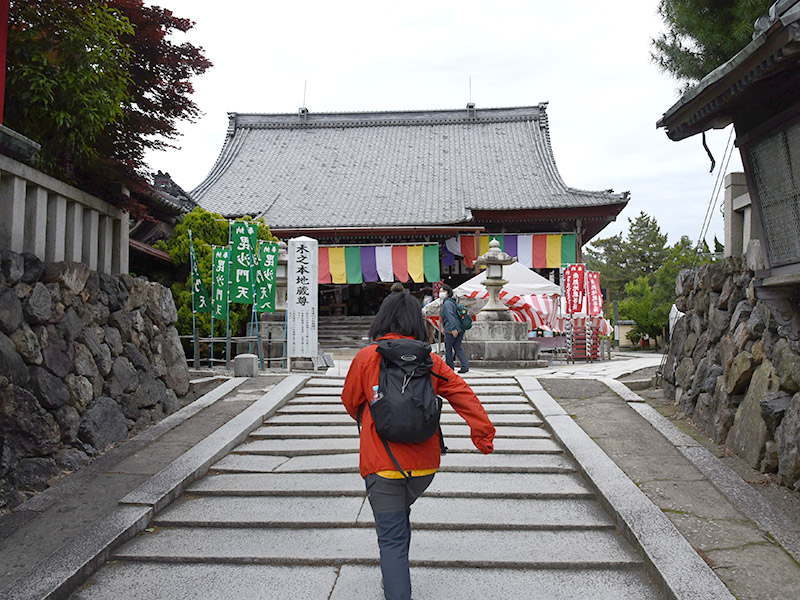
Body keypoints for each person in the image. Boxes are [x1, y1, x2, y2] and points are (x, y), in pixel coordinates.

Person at [341, 288, 495, 600]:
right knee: (398, 518)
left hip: (382, 464)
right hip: (424, 466)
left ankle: (397, 587)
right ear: (416, 320)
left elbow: (350, 401)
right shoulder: (431, 360)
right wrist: (482, 433)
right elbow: (462, 393)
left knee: (392, 536)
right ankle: (393, 576)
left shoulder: (366, 357)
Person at [439, 284, 469, 373]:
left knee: (448, 349)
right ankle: (465, 365)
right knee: (457, 348)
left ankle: (449, 367)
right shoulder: (453, 302)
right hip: (459, 328)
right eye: (440, 291)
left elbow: (450, 316)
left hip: (451, 329)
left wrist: (453, 328)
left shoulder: (447, 303)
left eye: (443, 291)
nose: (441, 293)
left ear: (448, 293)